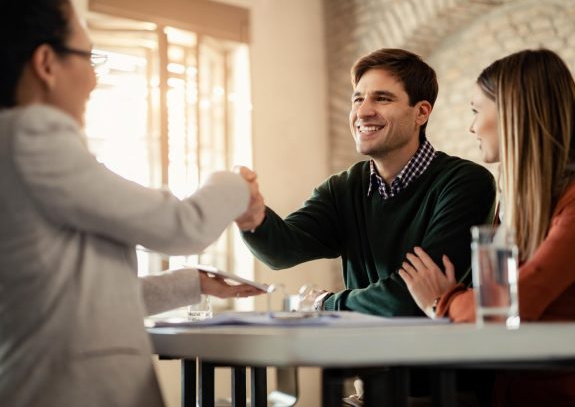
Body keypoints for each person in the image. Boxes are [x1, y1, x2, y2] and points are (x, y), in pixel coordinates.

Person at [0, 0, 264, 406]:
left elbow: (82, 298)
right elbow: (182, 226)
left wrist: (193, 284)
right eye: (88, 58)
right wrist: (236, 183)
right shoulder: (32, 136)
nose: (93, 79)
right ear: (47, 63)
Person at [236, 48, 496, 316]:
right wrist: (251, 216)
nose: (363, 111)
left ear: (421, 112)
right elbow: (281, 250)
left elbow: (410, 300)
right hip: (360, 356)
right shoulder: (343, 189)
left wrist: (326, 303)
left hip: (435, 355)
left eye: (382, 99)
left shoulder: (466, 184)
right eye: (357, 99)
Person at [399, 48, 575, 405]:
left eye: (477, 111)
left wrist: (443, 299)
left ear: (513, 113)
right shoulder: (513, 203)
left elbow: (509, 305)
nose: (472, 126)